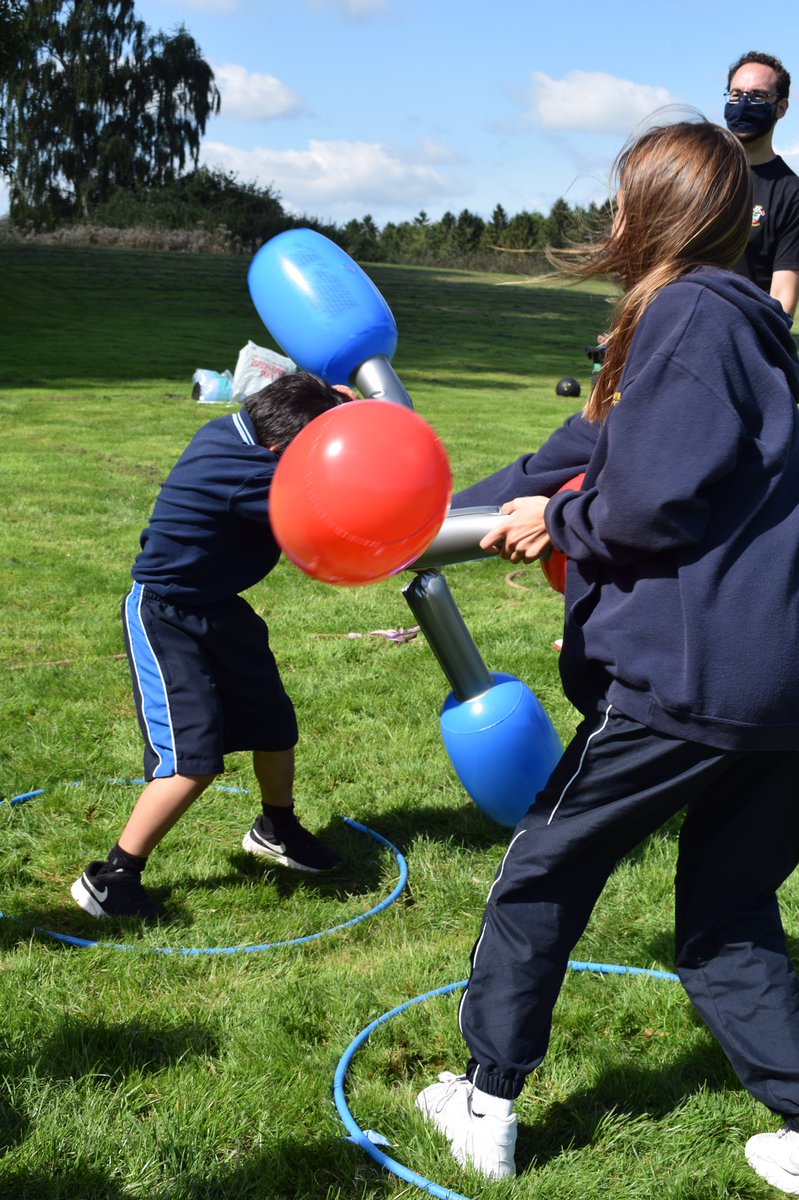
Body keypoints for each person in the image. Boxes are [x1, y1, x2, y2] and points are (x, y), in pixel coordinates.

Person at [415, 118, 799, 1195]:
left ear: (655, 214)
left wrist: (563, 525)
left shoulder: (683, 314)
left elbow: (647, 498)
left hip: (691, 681)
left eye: (624, 200)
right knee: (726, 913)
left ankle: (484, 1103)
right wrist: (435, 515)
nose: (611, 219)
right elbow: (582, 451)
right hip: (780, 691)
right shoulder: (742, 328)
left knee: (545, 869)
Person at [72, 372, 351, 922]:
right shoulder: (251, 477)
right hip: (166, 615)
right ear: (280, 450)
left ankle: (277, 828)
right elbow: (329, 526)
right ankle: (113, 877)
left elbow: (308, 406)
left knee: (274, 724)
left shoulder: (235, 428)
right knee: (190, 761)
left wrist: (338, 408)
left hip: (219, 606)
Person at [725, 50, 799, 317]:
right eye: (735, 94)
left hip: (742, 340)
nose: (743, 103)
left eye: (757, 96)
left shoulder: (791, 192)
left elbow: (783, 296)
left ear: (781, 107)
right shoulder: (698, 172)